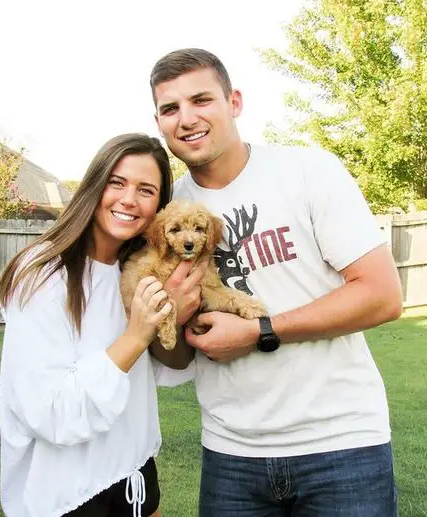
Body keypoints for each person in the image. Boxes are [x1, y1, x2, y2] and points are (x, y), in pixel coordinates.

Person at [149, 48, 403, 516]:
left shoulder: (308, 171)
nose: (186, 118)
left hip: (341, 444)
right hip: (231, 453)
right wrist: (176, 320)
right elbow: (172, 354)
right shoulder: (169, 211)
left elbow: (383, 296)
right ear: (160, 122)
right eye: (170, 108)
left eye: (201, 99)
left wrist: (262, 330)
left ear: (235, 102)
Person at [0, 133, 196, 517]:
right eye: (116, 182)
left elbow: (160, 374)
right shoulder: (42, 273)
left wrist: (175, 317)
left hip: (135, 481)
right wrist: (136, 335)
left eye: (146, 190)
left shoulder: (136, 272)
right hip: (66, 495)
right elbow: (48, 411)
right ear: (94, 185)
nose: (128, 199)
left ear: (159, 207)